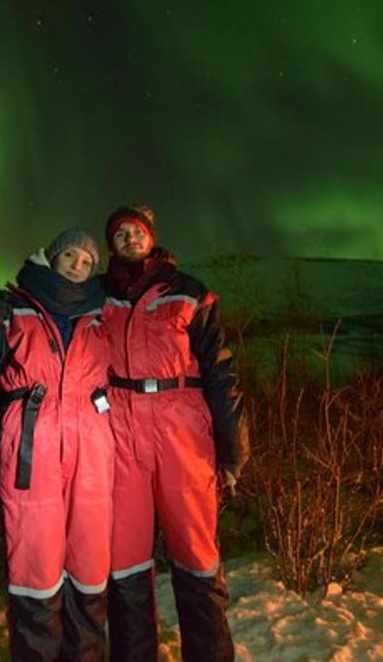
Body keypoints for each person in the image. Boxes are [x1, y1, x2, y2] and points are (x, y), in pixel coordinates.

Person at [100, 204, 248, 662]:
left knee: (196, 556)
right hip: (122, 434)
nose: (129, 238)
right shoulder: (96, 296)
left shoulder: (188, 293)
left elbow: (221, 373)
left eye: (136, 231)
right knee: (126, 562)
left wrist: (233, 450)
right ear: (112, 245)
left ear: (151, 236)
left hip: (182, 431)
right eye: (120, 233)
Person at [0, 228, 114, 661]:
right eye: (71, 255)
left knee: (89, 567)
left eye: (87, 261)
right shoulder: (14, 309)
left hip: (91, 456)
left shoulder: (100, 316)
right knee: (36, 571)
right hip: (32, 456)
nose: (78, 265)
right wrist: (11, 424)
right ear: (52, 255)